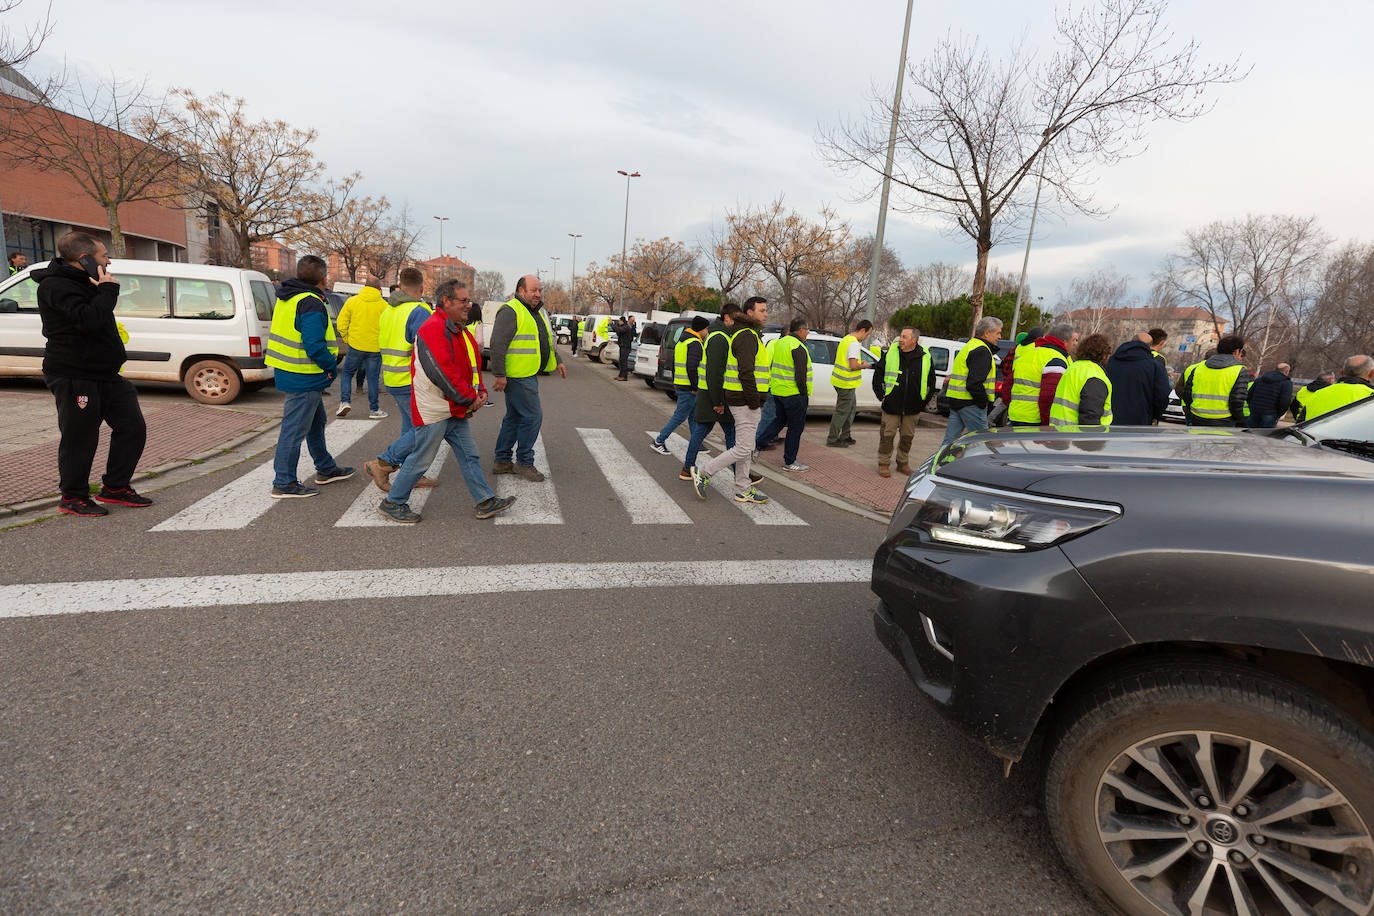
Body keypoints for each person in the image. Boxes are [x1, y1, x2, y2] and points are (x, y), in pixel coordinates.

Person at [377, 279, 516, 523]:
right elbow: (442, 373)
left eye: (468, 300)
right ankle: (393, 502)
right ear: (446, 301)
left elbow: (471, 366)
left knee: (469, 454)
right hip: (435, 408)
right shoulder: (432, 329)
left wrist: (479, 390)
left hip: (453, 406)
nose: (468, 305)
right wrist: (469, 397)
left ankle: (484, 500)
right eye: (463, 300)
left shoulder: (458, 329)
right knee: (421, 458)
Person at [34, 231, 150, 517]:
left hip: (106, 373)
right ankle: (73, 496)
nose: (108, 262)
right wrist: (108, 290)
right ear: (85, 259)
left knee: (133, 427)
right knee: (80, 437)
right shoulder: (55, 286)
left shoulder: (88, 281)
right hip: (75, 374)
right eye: (103, 256)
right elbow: (89, 320)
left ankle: (115, 487)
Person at [264, 255, 354, 498]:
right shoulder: (311, 302)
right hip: (304, 374)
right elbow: (314, 345)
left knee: (315, 424)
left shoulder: (288, 296)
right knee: (293, 431)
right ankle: (284, 482)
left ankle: (325, 468)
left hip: (290, 371)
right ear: (324, 278)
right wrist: (331, 367)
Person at [364, 267, 438, 491]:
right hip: (412, 381)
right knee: (426, 430)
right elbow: (428, 350)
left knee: (410, 428)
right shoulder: (419, 311)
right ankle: (382, 463)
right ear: (422, 288)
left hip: (393, 378)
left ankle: (411, 473)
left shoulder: (389, 310)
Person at [692, 296, 770, 504]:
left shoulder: (749, 334)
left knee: (746, 446)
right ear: (749, 313)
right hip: (744, 400)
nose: (766, 314)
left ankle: (743, 489)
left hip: (746, 400)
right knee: (743, 447)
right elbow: (746, 373)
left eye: (766, 310)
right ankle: (704, 472)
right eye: (762, 310)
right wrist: (754, 401)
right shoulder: (746, 336)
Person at [489, 274, 565, 481]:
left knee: (514, 418)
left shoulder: (535, 312)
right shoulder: (510, 310)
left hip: (526, 373)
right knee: (532, 417)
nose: (538, 294)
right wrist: (499, 374)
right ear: (521, 291)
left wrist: (557, 359)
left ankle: (502, 460)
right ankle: (524, 462)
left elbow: (544, 339)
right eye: (533, 290)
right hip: (517, 375)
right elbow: (497, 344)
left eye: (539, 290)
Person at [686, 303, 743, 481]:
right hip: (714, 395)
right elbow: (714, 373)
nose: (737, 323)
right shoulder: (720, 338)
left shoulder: (718, 335)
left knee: (705, 430)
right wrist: (718, 402)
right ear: (727, 317)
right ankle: (740, 474)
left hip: (709, 394)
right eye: (736, 319)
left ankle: (687, 468)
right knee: (730, 433)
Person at [877, 326, 936, 478]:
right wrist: (881, 395)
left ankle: (902, 463)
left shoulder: (925, 356)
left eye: (904, 337)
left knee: (907, 437)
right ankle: (883, 463)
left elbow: (931, 381)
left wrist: (923, 402)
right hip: (891, 404)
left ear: (914, 340)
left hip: (913, 406)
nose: (900, 340)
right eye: (901, 336)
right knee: (887, 435)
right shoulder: (891, 352)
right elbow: (878, 375)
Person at [649, 316, 709, 457]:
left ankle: (696, 443)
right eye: (706, 328)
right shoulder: (695, 343)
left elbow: (677, 364)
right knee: (680, 416)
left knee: (693, 416)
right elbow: (692, 367)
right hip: (689, 387)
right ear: (701, 329)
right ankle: (659, 441)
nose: (707, 331)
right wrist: (695, 386)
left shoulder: (682, 341)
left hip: (682, 383)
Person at [757, 318, 812, 472]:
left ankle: (757, 445)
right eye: (807, 329)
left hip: (778, 391)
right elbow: (801, 376)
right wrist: (803, 393)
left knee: (778, 422)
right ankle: (790, 461)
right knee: (795, 428)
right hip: (794, 394)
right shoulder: (798, 346)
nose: (807, 333)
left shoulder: (780, 343)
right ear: (801, 329)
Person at [941, 316, 1002, 448]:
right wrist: (982, 402)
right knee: (983, 443)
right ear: (987, 333)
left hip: (958, 401)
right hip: (971, 404)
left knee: (950, 443)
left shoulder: (970, 346)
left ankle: (941, 466)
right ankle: (981, 468)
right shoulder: (982, 350)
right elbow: (974, 383)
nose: (1000, 336)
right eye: (998, 332)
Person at [334, 279, 388, 418]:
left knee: (347, 374)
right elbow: (388, 328)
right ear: (379, 289)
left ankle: (345, 401)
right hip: (375, 348)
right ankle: (374, 409)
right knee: (372, 379)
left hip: (355, 345)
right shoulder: (384, 305)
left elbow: (341, 323)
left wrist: (348, 339)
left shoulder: (352, 301)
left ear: (364, 286)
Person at [1177, 335, 1253, 427]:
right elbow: (1236, 401)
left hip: (1197, 418)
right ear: (1237, 351)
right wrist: (1241, 420)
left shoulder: (1198, 368)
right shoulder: (1240, 371)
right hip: (1224, 421)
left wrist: (1194, 412)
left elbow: (1187, 394)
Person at [1050, 333, 1114, 428]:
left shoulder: (1073, 367)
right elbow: (1090, 419)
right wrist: (1092, 442)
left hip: (1059, 433)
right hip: (1076, 438)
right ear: (1104, 354)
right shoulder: (1094, 375)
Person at [1105, 333, 1170, 425]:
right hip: (1140, 422)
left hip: (1109, 419)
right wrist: (1154, 415)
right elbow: (1161, 396)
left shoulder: (1110, 362)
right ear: (1150, 346)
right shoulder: (1155, 367)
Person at [826, 319, 873, 447]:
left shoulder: (847, 339)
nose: (866, 337)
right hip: (845, 383)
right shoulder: (854, 343)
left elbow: (848, 362)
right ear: (862, 330)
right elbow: (853, 365)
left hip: (841, 381)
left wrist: (859, 363)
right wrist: (863, 366)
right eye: (867, 334)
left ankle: (845, 435)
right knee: (842, 411)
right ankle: (833, 439)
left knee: (850, 409)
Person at [1299, 355, 1374, 421]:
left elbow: (1300, 425)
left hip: (1311, 436)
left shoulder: (1318, 393)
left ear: (1342, 372)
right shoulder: (1370, 397)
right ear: (1371, 373)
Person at [998, 325, 1043, 412]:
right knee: (1007, 404)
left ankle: (991, 419)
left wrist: (1006, 376)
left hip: (1012, 379)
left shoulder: (1016, 348)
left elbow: (1002, 364)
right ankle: (990, 419)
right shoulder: (1034, 347)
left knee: (1006, 403)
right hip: (1023, 381)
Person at [1246, 361, 1294, 429]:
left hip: (1254, 411)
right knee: (1265, 436)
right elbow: (1285, 401)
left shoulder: (1260, 379)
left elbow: (1249, 394)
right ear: (1287, 372)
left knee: (1250, 434)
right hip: (1271, 413)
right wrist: (1279, 414)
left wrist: (1251, 407)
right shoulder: (1286, 383)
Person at [611, 313, 636, 380]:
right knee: (621, 361)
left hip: (626, 346)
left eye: (633, 320)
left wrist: (611, 324)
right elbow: (619, 332)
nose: (633, 321)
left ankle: (624, 376)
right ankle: (621, 375)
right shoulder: (626, 326)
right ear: (628, 320)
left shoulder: (628, 327)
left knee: (623, 361)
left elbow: (620, 330)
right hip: (623, 345)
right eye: (632, 320)